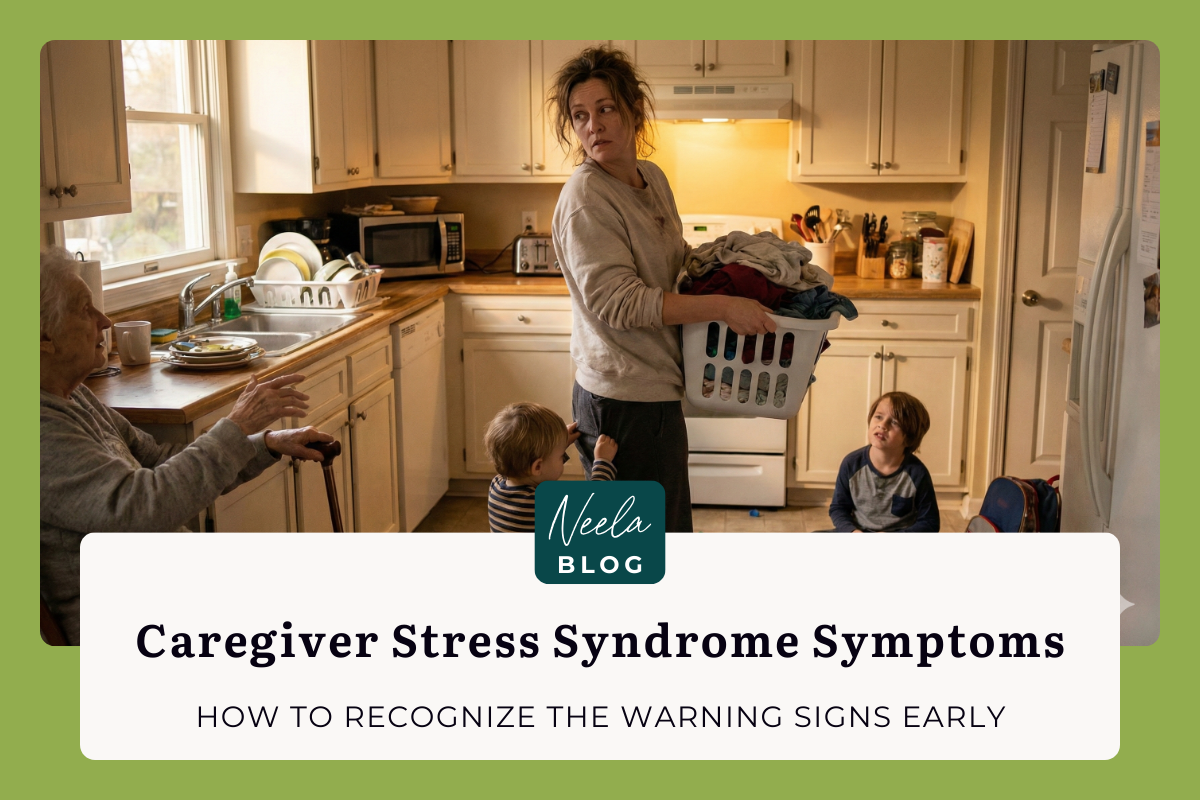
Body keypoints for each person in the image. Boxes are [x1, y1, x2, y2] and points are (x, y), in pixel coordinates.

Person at [39, 248, 334, 644]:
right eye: (85, 309)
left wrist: (265, 443)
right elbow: (141, 509)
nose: (104, 321)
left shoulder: (73, 397)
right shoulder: (37, 431)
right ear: (43, 338)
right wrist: (235, 425)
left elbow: (161, 463)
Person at [548, 47, 775, 532]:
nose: (594, 125)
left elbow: (670, 267)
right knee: (637, 547)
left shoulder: (651, 178)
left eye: (605, 109)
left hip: (653, 389)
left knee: (665, 533)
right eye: (580, 116)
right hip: (620, 399)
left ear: (634, 110)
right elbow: (621, 302)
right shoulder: (585, 198)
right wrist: (723, 306)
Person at [484, 402, 617, 533]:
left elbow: (542, 467)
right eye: (560, 456)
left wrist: (557, 445)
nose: (562, 457)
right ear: (537, 467)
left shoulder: (496, 485)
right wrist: (602, 462)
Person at [828, 392, 940, 532]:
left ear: (909, 438)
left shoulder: (917, 473)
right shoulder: (851, 463)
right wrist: (853, 532)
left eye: (894, 422)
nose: (882, 425)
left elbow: (930, 523)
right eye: (878, 417)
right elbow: (838, 508)